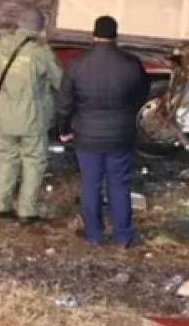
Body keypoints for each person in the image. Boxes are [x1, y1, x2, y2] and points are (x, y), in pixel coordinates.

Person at [55, 15, 150, 246]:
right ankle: (123, 236)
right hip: (120, 135)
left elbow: (64, 103)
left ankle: (94, 234)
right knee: (119, 185)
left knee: (91, 185)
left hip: (87, 136)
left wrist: (64, 129)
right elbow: (142, 97)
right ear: (116, 35)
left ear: (94, 34)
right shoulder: (131, 63)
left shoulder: (77, 63)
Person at [0, 7, 64, 224]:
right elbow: (60, 81)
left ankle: (0, 205)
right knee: (33, 161)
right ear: (40, 27)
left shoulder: (0, 46)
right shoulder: (41, 52)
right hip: (32, 117)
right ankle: (27, 210)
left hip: (5, 114)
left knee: (6, 157)